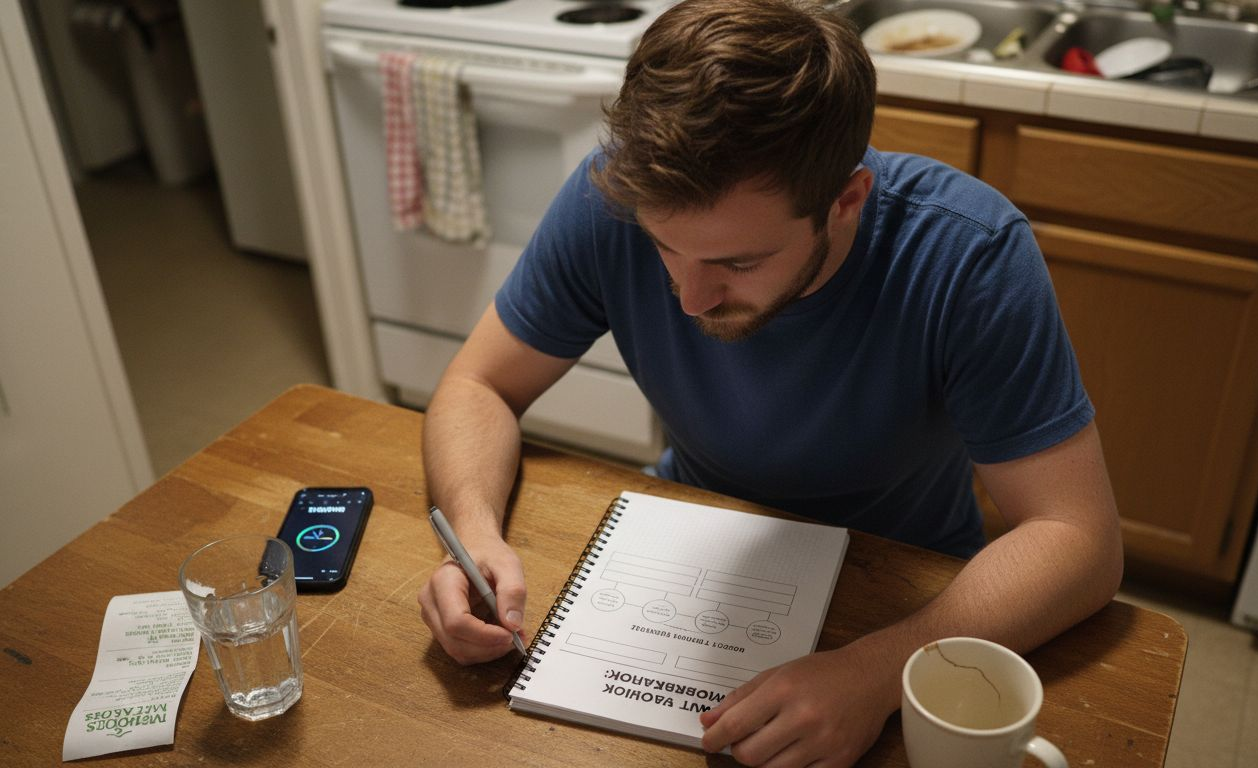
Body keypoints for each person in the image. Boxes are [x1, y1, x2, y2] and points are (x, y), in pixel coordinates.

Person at [417, 0, 1123, 764]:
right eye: (664, 248)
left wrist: (879, 671)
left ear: (846, 201)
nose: (690, 300)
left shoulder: (968, 255)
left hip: (912, 590)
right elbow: (479, 385)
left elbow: (1078, 539)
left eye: (738, 263)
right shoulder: (611, 199)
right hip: (692, 548)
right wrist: (474, 536)